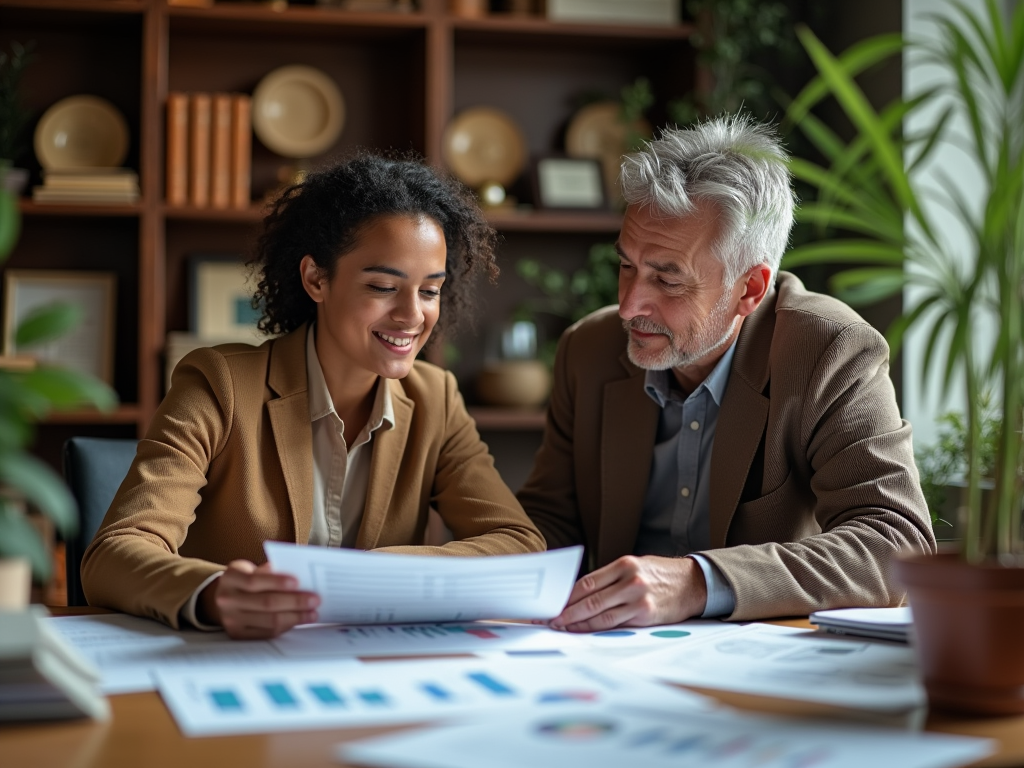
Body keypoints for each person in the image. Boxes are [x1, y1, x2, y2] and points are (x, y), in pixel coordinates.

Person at [82, 155, 545, 639]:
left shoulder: (437, 400)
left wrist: (375, 575)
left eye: (430, 291)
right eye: (384, 287)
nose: (412, 316)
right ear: (316, 279)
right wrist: (213, 592)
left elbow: (520, 543)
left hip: (368, 672)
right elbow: (114, 554)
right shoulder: (218, 384)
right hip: (236, 666)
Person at [517, 115, 936, 632]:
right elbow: (547, 523)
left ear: (750, 290)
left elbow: (895, 544)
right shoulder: (588, 348)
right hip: (599, 654)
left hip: (760, 663)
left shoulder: (829, 351)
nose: (628, 306)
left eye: (667, 280)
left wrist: (699, 581)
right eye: (626, 266)